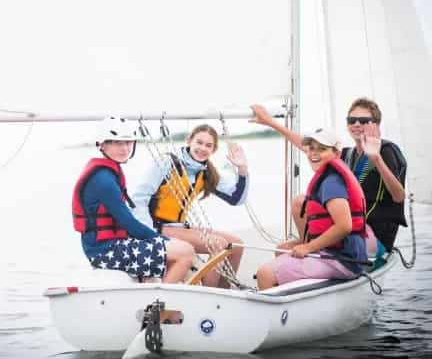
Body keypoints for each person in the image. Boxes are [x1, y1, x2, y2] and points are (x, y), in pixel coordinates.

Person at [250, 99, 407, 256]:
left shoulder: (386, 151)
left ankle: (314, 252)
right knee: (284, 246)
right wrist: (270, 122)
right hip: (350, 229)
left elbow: (399, 196)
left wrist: (376, 159)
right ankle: (311, 248)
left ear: (376, 125)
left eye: (364, 121)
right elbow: (307, 147)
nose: (357, 124)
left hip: (373, 236)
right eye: (352, 120)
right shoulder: (348, 155)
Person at [72, 116, 195, 283]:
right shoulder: (104, 180)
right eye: (117, 143)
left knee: (178, 247)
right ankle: (162, 304)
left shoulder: (107, 172)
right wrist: (163, 240)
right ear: (102, 144)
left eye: (128, 142)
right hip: (105, 252)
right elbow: (128, 222)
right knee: (185, 251)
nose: (124, 148)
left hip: (110, 246)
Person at [132, 124, 249, 288]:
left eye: (208, 145)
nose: (202, 148)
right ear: (189, 141)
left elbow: (237, 199)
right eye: (199, 142)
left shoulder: (206, 171)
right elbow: (138, 199)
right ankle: (210, 297)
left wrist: (242, 169)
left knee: (236, 245)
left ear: (214, 150)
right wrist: (148, 233)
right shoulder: (166, 162)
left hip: (180, 227)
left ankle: (226, 296)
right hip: (158, 227)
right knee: (218, 244)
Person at [255, 129, 368, 289]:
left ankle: (275, 311)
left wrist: (308, 247)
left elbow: (344, 226)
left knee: (265, 273)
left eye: (322, 149)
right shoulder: (328, 176)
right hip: (338, 254)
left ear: (337, 153)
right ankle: (294, 294)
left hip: (343, 260)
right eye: (312, 148)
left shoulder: (331, 183)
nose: (314, 154)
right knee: (282, 250)